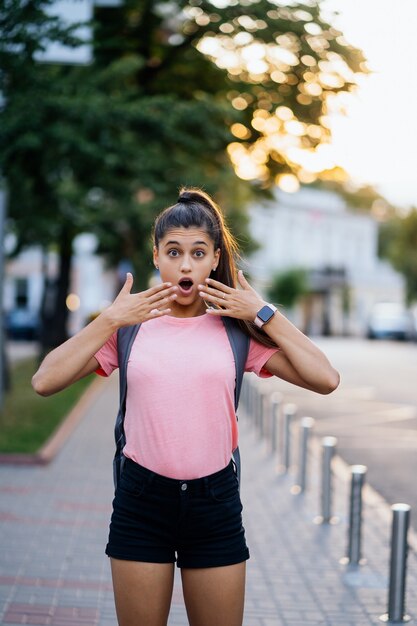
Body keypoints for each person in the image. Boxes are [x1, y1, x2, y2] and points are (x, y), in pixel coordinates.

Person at [32, 188, 340, 626]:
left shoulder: (236, 333)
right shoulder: (129, 331)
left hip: (215, 504)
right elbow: (44, 381)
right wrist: (110, 319)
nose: (185, 265)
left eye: (198, 253)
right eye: (173, 252)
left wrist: (263, 312)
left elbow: (326, 378)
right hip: (141, 502)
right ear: (156, 256)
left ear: (215, 259)